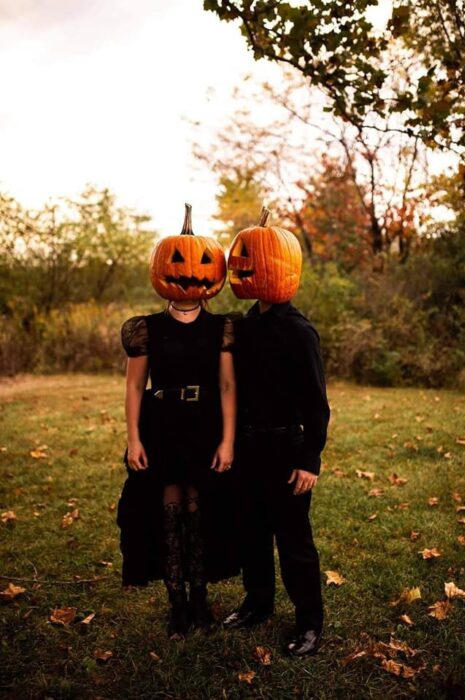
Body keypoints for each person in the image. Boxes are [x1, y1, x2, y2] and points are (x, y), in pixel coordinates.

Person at [117, 204, 238, 636]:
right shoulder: (146, 328)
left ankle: (201, 599)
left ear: (216, 274)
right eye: (180, 262)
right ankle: (177, 604)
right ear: (161, 270)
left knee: (200, 509)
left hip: (205, 424)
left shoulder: (222, 328)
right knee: (167, 509)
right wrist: (133, 439)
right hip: (163, 423)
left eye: (205, 261)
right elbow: (134, 387)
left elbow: (227, 387)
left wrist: (228, 440)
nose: (190, 271)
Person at [223, 208, 330, 657]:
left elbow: (317, 405)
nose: (241, 265)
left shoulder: (299, 332)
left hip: (286, 448)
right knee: (251, 533)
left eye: (251, 258)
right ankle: (258, 604)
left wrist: (309, 460)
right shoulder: (241, 328)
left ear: (278, 266)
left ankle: (310, 621)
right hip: (247, 446)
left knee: (293, 540)